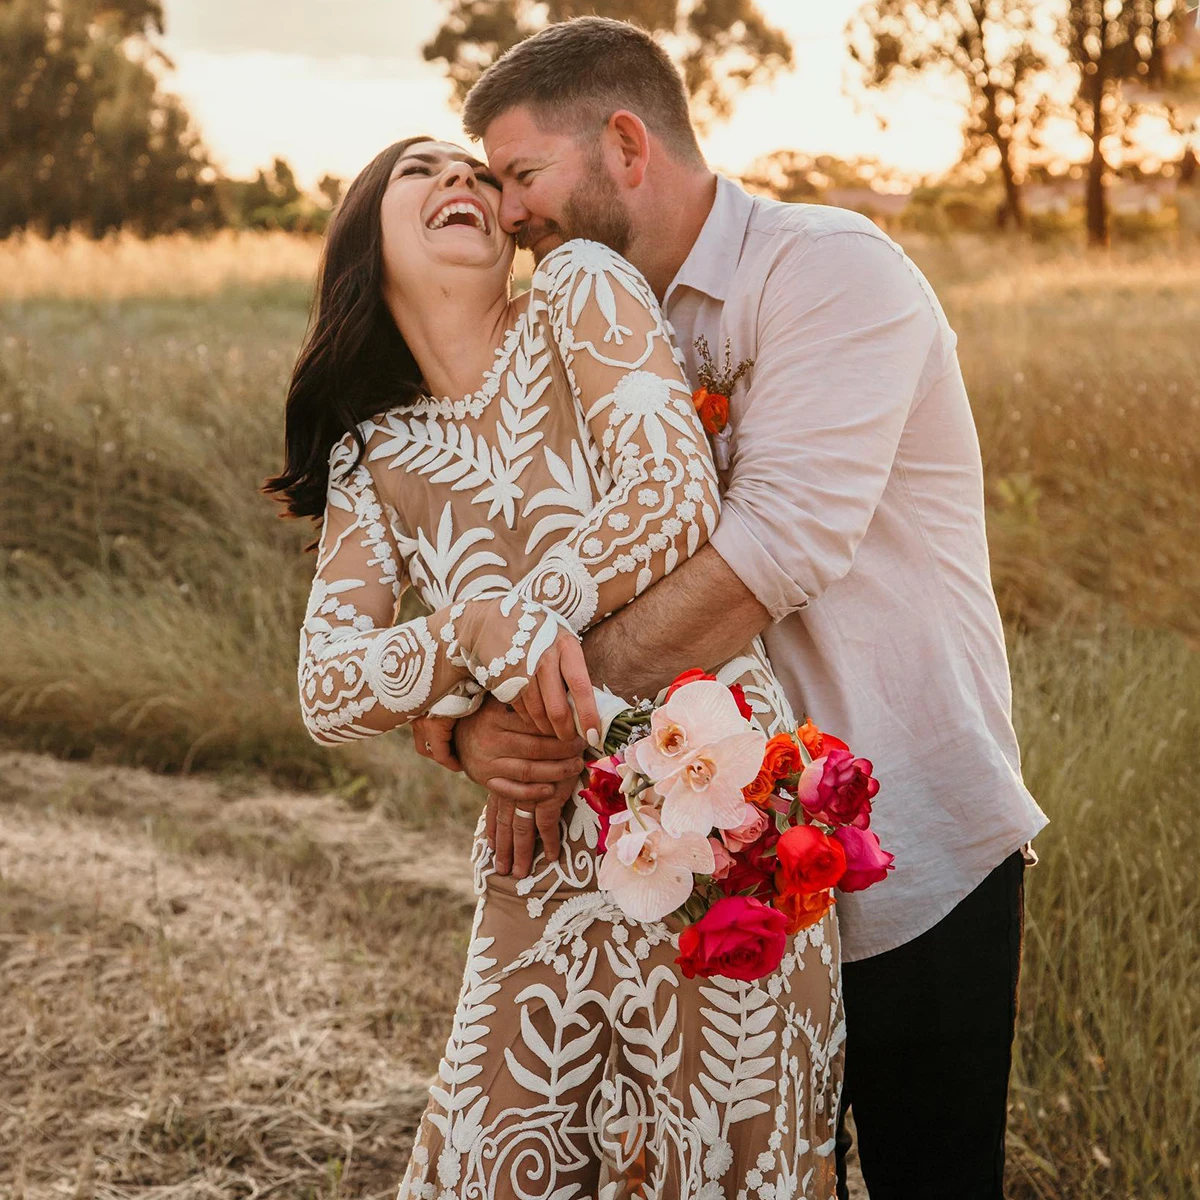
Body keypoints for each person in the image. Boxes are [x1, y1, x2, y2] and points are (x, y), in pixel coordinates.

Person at [413, 17, 1049, 1199]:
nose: (505, 213)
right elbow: (496, 576)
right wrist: (462, 725)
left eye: (519, 174)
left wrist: (546, 718)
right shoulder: (562, 342)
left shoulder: (831, 271)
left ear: (624, 142)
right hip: (701, 879)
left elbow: (771, 555)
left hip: (905, 845)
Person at [266, 135, 842, 1198]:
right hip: (536, 847)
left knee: (715, 1161)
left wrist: (512, 635)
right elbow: (329, 686)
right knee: (496, 1162)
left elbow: (674, 502)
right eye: (419, 171)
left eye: (477, 171)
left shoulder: (577, 291)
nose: (462, 182)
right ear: (365, 243)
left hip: (706, 801)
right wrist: (472, 640)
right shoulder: (372, 454)